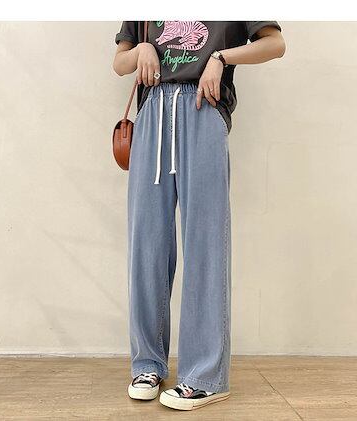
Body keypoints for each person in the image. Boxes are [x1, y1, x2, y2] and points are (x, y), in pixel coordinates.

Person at [113, 21, 285, 411]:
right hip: (153, 114)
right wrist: (140, 51)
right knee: (147, 246)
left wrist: (221, 57)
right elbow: (119, 63)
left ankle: (205, 376)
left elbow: (275, 44)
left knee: (206, 245)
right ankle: (148, 364)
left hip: (204, 110)